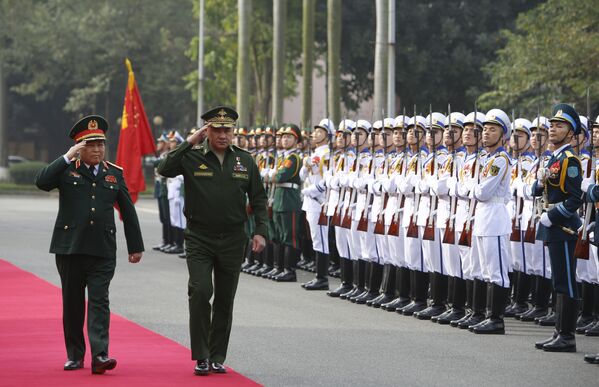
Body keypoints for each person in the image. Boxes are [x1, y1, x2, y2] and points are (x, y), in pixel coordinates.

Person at [157, 106, 267, 376]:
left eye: (226, 130)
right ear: (206, 131)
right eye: (216, 130)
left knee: (225, 299)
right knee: (201, 291)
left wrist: (261, 231)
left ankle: (217, 355)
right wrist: (190, 142)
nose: (222, 135)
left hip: (233, 238)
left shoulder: (245, 160)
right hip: (199, 237)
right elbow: (164, 168)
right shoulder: (192, 157)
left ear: (233, 132)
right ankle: (201, 355)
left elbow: (259, 198)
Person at [35, 115, 144, 374]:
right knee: (72, 303)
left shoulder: (113, 173)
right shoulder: (66, 170)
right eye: (90, 145)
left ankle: (100, 354)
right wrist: (65, 156)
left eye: (100, 145)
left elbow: (128, 211)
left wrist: (135, 246)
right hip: (70, 248)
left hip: (102, 249)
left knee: (99, 300)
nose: (97, 150)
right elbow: (41, 182)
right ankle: (74, 354)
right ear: (78, 147)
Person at [530, 103, 584, 352]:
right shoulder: (554, 158)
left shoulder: (570, 160)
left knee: (566, 281)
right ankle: (558, 332)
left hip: (563, 228)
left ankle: (567, 336)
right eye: (551, 125)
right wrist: (538, 185)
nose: (553, 129)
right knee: (557, 280)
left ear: (571, 133)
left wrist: (553, 216)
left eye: (559, 125)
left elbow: (575, 199)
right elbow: (543, 189)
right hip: (553, 227)